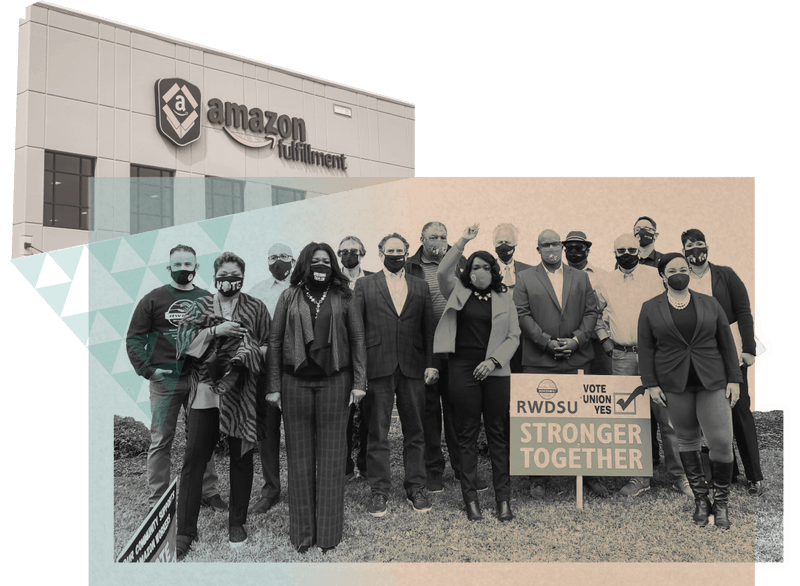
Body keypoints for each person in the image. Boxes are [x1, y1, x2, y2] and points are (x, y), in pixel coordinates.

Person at [265, 242, 367, 554]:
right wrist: (273, 386)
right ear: (305, 265)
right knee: (299, 459)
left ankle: (328, 535)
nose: (320, 265)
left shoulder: (344, 296)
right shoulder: (288, 296)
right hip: (294, 382)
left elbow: (357, 338)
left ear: (332, 265)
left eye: (326, 261)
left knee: (334, 458)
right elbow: (275, 338)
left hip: (335, 381)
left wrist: (360, 382)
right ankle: (302, 534)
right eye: (315, 261)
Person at [173, 251, 271, 558]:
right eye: (224, 275)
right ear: (215, 277)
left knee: (241, 458)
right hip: (205, 391)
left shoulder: (256, 307)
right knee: (194, 460)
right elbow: (183, 343)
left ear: (242, 276)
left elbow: (268, 344)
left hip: (241, 394)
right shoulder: (199, 306)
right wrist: (217, 330)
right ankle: (186, 530)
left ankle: (237, 524)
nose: (229, 280)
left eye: (235, 276)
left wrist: (247, 354)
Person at [638, 253, 743, 529]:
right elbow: (646, 349)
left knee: (721, 443)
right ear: (662, 275)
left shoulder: (710, 303)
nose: (679, 273)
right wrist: (650, 384)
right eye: (672, 270)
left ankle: (721, 503)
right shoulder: (650, 308)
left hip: (712, 380)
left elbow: (726, 342)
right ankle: (701, 499)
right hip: (674, 383)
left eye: (683, 269)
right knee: (686, 440)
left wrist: (734, 379)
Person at [125, 244, 226, 513]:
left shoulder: (207, 298)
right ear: (169, 267)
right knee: (161, 439)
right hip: (165, 380)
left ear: (196, 267)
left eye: (188, 264)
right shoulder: (153, 299)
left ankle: (209, 492)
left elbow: (218, 336)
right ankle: (158, 499)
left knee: (202, 437)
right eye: (178, 264)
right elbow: (135, 338)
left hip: (199, 380)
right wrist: (148, 370)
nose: (183, 269)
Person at [513, 229, 608, 498]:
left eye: (555, 244)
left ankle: (589, 474)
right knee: (540, 420)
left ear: (562, 247)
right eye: (545, 245)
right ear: (538, 249)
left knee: (583, 419)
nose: (551, 249)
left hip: (578, 357)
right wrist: (546, 342)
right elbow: (521, 314)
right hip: (539, 359)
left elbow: (591, 312)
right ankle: (538, 477)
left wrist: (577, 340)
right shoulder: (524, 278)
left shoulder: (580, 277)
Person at [434, 224, 520, 522]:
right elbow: (443, 271)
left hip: (496, 371)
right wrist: (462, 242)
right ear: (467, 271)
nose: (479, 271)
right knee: (467, 435)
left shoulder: (505, 296)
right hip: (462, 371)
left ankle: (503, 500)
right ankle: (471, 500)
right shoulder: (458, 291)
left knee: (497, 434)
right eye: (474, 267)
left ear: (494, 270)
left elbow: (513, 336)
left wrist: (494, 361)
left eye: (485, 267)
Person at [594, 235, 691, 498]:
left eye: (631, 249)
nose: (627, 254)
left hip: (658, 356)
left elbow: (672, 306)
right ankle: (639, 477)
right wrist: (605, 340)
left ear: (640, 251)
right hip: (622, 357)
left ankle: (680, 476)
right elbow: (594, 314)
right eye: (621, 250)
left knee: (668, 418)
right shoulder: (605, 280)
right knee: (631, 421)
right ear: (614, 252)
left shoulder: (653, 276)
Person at [354, 232, 438, 517]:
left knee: (415, 430)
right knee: (377, 432)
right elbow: (357, 332)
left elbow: (429, 329)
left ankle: (416, 487)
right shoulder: (364, 285)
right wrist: (360, 371)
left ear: (406, 252)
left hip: (413, 367)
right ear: (381, 253)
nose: (395, 255)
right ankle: (379, 491)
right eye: (390, 251)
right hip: (378, 367)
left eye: (400, 251)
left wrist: (431, 363)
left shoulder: (420, 285)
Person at [406, 222, 486, 493]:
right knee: (428, 411)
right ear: (421, 238)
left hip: (457, 347)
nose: (439, 241)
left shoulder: (462, 262)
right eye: (433, 237)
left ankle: (463, 468)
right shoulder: (410, 266)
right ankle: (433, 469)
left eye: (443, 236)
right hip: (424, 348)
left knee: (459, 411)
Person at [681, 229, 762, 496]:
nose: (696, 249)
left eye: (700, 244)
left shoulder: (725, 275)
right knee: (710, 415)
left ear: (707, 246)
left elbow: (743, 311)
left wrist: (749, 349)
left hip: (732, 352)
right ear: (684, 251)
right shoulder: (682, 279)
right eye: (690, 246)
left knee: (739, 412)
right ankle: (729, 470)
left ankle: (754, 477)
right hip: (700, 356)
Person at [245, 242, 295, 515]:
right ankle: (271, 490)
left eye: (284, 256)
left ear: (294, 260)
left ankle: (300, 486)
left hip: (298, 369)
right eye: (273, 257)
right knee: (268, 433)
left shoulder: (303, 288)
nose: (279, 261)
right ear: (266, 262)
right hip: (266, 369)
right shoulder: (256, 292)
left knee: (300, 432)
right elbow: (249, 332)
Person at [337, 235, 374, 482]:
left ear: (363, 253)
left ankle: (367, 465)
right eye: (344, 251)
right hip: (340, 357)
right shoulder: (332, 280)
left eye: (354, 250)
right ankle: (345, 467)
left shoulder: (373, 279)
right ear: (338, 255)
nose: (350, 254)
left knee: (370, 415)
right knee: (343, 417)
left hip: (370, 353)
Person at [562, 230, 609, 376]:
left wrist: (604, 336)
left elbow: (608, 308)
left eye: (579, 248)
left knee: (602, 382)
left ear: (587, 250)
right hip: (568, 340)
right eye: (569, 248)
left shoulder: (603, 276)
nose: (574, 251)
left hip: (597, 341)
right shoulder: (557, 276)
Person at [493, 223, 531, 374]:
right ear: (493, 244)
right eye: (499, 242)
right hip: (496, 334)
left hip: (524, 335)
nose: (503, 245)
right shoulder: (487, 269)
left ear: (515, 244)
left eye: (507, 241)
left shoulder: (529, 271)